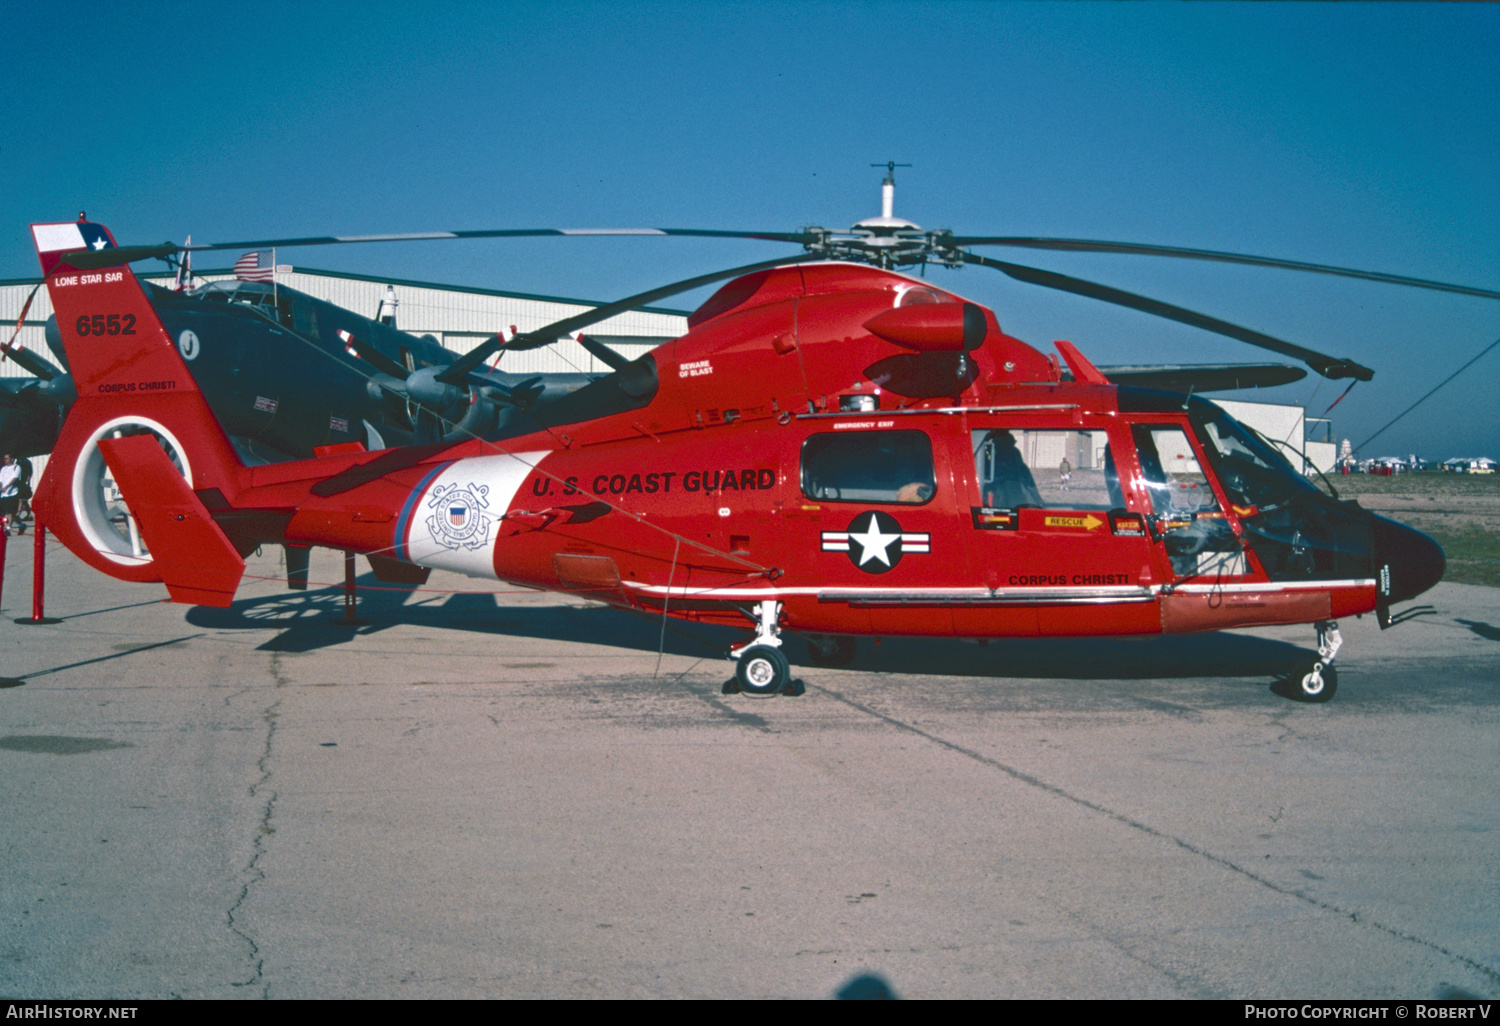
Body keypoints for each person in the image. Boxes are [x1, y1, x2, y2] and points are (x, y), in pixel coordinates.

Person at [0, 454, 21, 535]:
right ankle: (21, 525)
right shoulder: (3, 469)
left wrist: (7, 487)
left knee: (10, 512)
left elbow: (15, 478)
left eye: (6, 458)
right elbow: (0, 479)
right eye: (4, 458)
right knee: (2, 512)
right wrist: (1, 487)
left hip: (12, 493)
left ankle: (8, 529)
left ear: (12, 459)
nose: (5, 460)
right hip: (3, 494)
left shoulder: (17, 467)